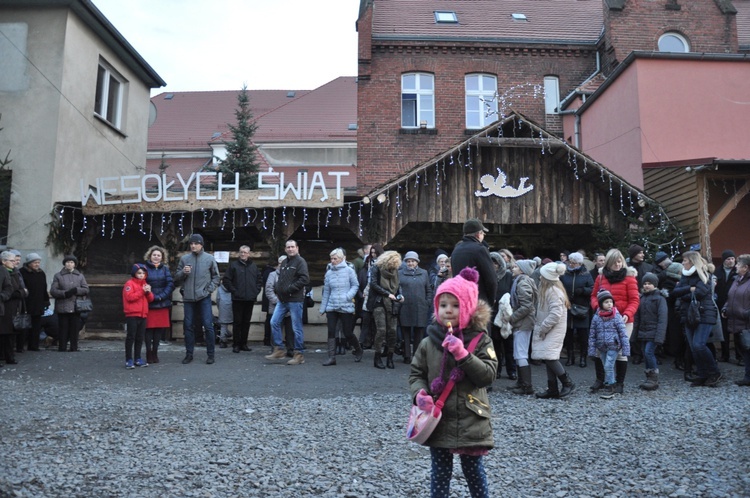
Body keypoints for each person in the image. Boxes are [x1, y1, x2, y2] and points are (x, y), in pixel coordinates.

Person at [409, 267, 497, 498]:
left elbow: (488, 375)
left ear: (468, 307)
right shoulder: (429, 342)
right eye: (443, 305)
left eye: (455, 305)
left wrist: (464, 356)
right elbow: (416, 373)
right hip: (440, 417)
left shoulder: (480, 339)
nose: (448, 310)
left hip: (471, 417)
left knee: (473, 470)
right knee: (440, 471)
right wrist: (419, 393)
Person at [590, 248, 639, 394]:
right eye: (614, 262)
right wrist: (597, 307)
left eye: (619, 261)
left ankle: (619, 383)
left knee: (620, 351)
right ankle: (601, 380)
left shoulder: (629, 278)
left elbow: (635, 300)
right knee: (600, 349)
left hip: (623, 320)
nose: (617, 265)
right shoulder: (600, 278)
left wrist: (628, 313)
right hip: (603, 319)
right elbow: (593, 296)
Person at [673, 251, 722, 387]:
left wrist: (685, 291)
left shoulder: (705, 275)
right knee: (694, 347)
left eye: (685, 261)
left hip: (704, 314)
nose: (683, 263)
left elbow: (700, 293)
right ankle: (703, 374)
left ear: (692, 261)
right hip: (689, 315)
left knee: (699, 345)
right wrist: (690, 289)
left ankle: (714, 372)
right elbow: (675, 292)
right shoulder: (684, 275)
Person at [175, 234, 220, 365]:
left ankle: (210, 354)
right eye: (191, 243)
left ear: (201, 244)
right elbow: (176, 277)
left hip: (203, 297)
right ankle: (189, 354)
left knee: (208, 325)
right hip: (188, 298)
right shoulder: (184, 259)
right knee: (188, 326)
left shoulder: (209, 259)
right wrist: (183, 272)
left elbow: (216, 277)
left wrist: (208, 290)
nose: (193, 246)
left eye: (196, 243)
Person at [532, 263, 575, 399]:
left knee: (550, 358)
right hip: (551, 329)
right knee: (548, 356)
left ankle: (568, 383)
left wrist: (543, 328)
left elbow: (555, 314)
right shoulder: (550, 290)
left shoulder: (553, 291)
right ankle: (552, 388)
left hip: (552, 329)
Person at [265, 240, 310, 366]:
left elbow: (305, 279)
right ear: (285, 249)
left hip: (295, 299)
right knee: (274, 321)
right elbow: (282, 278)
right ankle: (279, 349)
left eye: (292, 247)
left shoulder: (300, 262)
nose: (290, 249)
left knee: (296, 328)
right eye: (288, 247)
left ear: (297, 248)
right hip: (283, 300)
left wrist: (290, 288)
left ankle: (299, 354)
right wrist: (279, 289)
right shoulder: (284, 262)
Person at [319, 248, 363, 365]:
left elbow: (355, 285)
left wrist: (348, 296)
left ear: (342, 259)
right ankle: (331, 357)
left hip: (345, 305)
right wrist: (323, 308)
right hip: (332, 306)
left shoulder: (349, 271)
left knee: (348, 332)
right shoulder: (329, 273)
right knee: (331, 331)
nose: (332, 261)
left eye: (335, 259)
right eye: (331, 259)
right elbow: (327, 291)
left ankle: (358, 349)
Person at [588, 290, 631, 399]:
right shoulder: (597, 317)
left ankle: (611, 386)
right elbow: (592, 334)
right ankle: (608, 383)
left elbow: (623, 333)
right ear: (601, 303)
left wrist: (626, 350)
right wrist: (591, 350)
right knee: (605, 365)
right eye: (606, 302)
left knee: (608, 365)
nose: (609, 304)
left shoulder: (616, 316)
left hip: (613, 346)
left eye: (611, 302)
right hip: (601, 346)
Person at [366, 250, 403, 369]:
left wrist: (400, 295)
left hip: (392, 303)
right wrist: (387, 294)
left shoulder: (395, 271)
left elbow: (398, 286)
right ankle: (377, 357)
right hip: (379, 302)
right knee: (381, 330)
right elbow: (373, 284)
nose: (394, 266)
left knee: (392, 331)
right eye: (392, 263)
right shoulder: (376, 268)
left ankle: (390, 357)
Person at [222, 245, 262, 353]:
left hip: (250, 299)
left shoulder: (253, 266)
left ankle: (244, 343)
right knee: (237, 322)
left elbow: (259, 280)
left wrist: (255, 291)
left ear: (249, 254)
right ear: (239, 253)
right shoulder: (233, 266)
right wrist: (235, 291)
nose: (243, 254)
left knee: (246, 322)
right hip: (237, 299)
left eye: (245, 252)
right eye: (241, 252)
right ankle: (236, 344)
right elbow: (226, 280)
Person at [450, 219, 497, 307]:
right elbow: (491, 280)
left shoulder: (456, 250)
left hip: (461, 300)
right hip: (478, 301)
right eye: (483, 233)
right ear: (478, 234)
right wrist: (489, 302)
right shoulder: (480, 249)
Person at [508, 259, 538, 395]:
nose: (512, 268)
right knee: (519, 352)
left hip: (523, 322)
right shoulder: (522, 281)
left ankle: (526, 386)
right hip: (524, 321)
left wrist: (512, 318)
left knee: (520, 353)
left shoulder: (523, 282)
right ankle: (521, 383)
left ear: (522, 270)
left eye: (515, 267)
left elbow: (527, 306)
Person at [633, 273, 667, 391]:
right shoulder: (642, 298)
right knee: (645, 353)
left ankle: (653, 379)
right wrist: (634, 335)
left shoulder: (660, 299)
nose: (647, 286)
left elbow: (662, 319)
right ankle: (649, 378)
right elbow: (637, 318)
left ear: (655, 285)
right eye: (645, 284)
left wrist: (660, 336)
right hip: (643, 332)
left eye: (649, 284)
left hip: (654, 332)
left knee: (648, 352)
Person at [560, 252, 593, 368]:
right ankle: (570, 356)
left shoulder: (586, 274)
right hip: (568, 306)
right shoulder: (564, 274)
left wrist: (583, 291)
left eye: (574, 263)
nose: (572, 264)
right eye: (571, 262)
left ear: (580, 263)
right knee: (568, 334)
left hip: (581, 307)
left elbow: (592, 289)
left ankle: (583, 357)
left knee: (583, 334)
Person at [49, 255, 89, 353]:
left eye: (71, 262)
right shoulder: (58, 275)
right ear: (64, 264)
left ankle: (74, 347)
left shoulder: (80, 276)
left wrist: (76, 290)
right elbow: (53, 290)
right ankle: (62, 347)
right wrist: (65, 293)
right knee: (63, 328)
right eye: (67, 262)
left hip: (76, 306)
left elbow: (86, 289)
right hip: (63, 305)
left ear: (74, 264)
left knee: (74, 328)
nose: (69, 264)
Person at [398, 251, 431, 364]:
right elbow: (397, 289)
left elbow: (428, 290)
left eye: (413, 261)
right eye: (408, 261)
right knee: (405, 331)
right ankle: (407, 355)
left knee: (419, 332)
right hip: (405, 306)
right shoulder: (400, 273)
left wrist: (428, 302)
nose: (410, 263)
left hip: (420, 306)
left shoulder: (424, 273)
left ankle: (417, 356)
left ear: (417, 262)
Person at [722, 254, 750, 386]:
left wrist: (745, 313)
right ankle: (748, 376)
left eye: (738, 264)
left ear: (746, 267)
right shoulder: (737, 279)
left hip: (746, 321)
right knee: (746, 349)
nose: (736, 266)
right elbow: (730, 297)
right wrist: (725, 309)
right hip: (737, 321)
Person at [143, 246, 174, 364]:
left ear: (162, 257)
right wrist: (150, 295)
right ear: (150, 256)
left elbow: (170, 284)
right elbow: (142, 282)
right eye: (154, 255)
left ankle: (155, 352)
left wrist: (161, 296)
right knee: (148, 330)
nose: (156, 257)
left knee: (158, 330)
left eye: (158, 255)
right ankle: (148, 352)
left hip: (162, 302)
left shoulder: (165, 269)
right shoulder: (144, 268)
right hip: (149, 303)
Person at [489, 251, 515, 380]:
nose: (494, 265)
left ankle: (512, 370)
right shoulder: (486, 276)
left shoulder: (508, 276)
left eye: (496, 262)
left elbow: (512, 294)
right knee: (495, 345)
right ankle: (497, 370)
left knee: (509, 344)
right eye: (491, 262)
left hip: (506, 313)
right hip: (492, 313)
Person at [122, 263, 153, 369]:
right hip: (132, 314)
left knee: (140, 337)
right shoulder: (129, 284)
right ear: (134, 273)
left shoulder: (145, 284)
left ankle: (138, 358)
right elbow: (130, 297)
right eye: (139, 273)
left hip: (143, 314)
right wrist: (142, 291)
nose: (141, 275)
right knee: (131, 337)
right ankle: (128, 359)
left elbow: (151, 299)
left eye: (143, 273)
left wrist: (148, 292)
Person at [20, 253, 49, 352]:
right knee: (24, 327)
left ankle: (34, 345)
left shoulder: (41, 273)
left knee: (36, 326)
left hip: (38, 304)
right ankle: (21, 346)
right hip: (26, 304)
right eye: (35, 262)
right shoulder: (22, 273)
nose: (37, 264)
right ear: (29, 263)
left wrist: (46, 301)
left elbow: (44, 288)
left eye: (38, 262)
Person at [358, 244, 383, 349]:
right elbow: (367, 282)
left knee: (378, 323)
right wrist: (363, 293)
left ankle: (379, 345)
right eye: (371, 253)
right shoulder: (366, 268)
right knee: (366, 321)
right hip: (368, 296)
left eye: (374, 253)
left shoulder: (382, 266)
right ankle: (360, 345)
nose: (373, 255)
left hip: (379, 296)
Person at [715, 249, 738, 364]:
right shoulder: (717, 272)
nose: (731, 261)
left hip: (735, 306)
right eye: (728, 259)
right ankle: (725, 355)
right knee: (724, 332)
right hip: (721, 304)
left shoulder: (738, 271)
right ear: (724, 260)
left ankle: (740, 357)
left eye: (733, 258)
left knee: (737, 332)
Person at [0, 251, 23, 365]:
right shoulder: (3, 271)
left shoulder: (15, 272)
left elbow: (17, 288)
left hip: (12, 306)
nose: (15, 263)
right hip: (5, 306)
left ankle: (9, 356)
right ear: (4, 261)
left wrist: (19, 293)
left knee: (10, 333)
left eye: (15, 260)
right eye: (12, 260)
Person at [215, 283, 233, 348]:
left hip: (223, 306)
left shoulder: (220, 288)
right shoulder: (235, 287)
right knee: (236, 324)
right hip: (233, 306)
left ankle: (223, 341)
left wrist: (219, 308)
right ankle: (236, 341)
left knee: (223, 325)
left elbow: (217, 299)